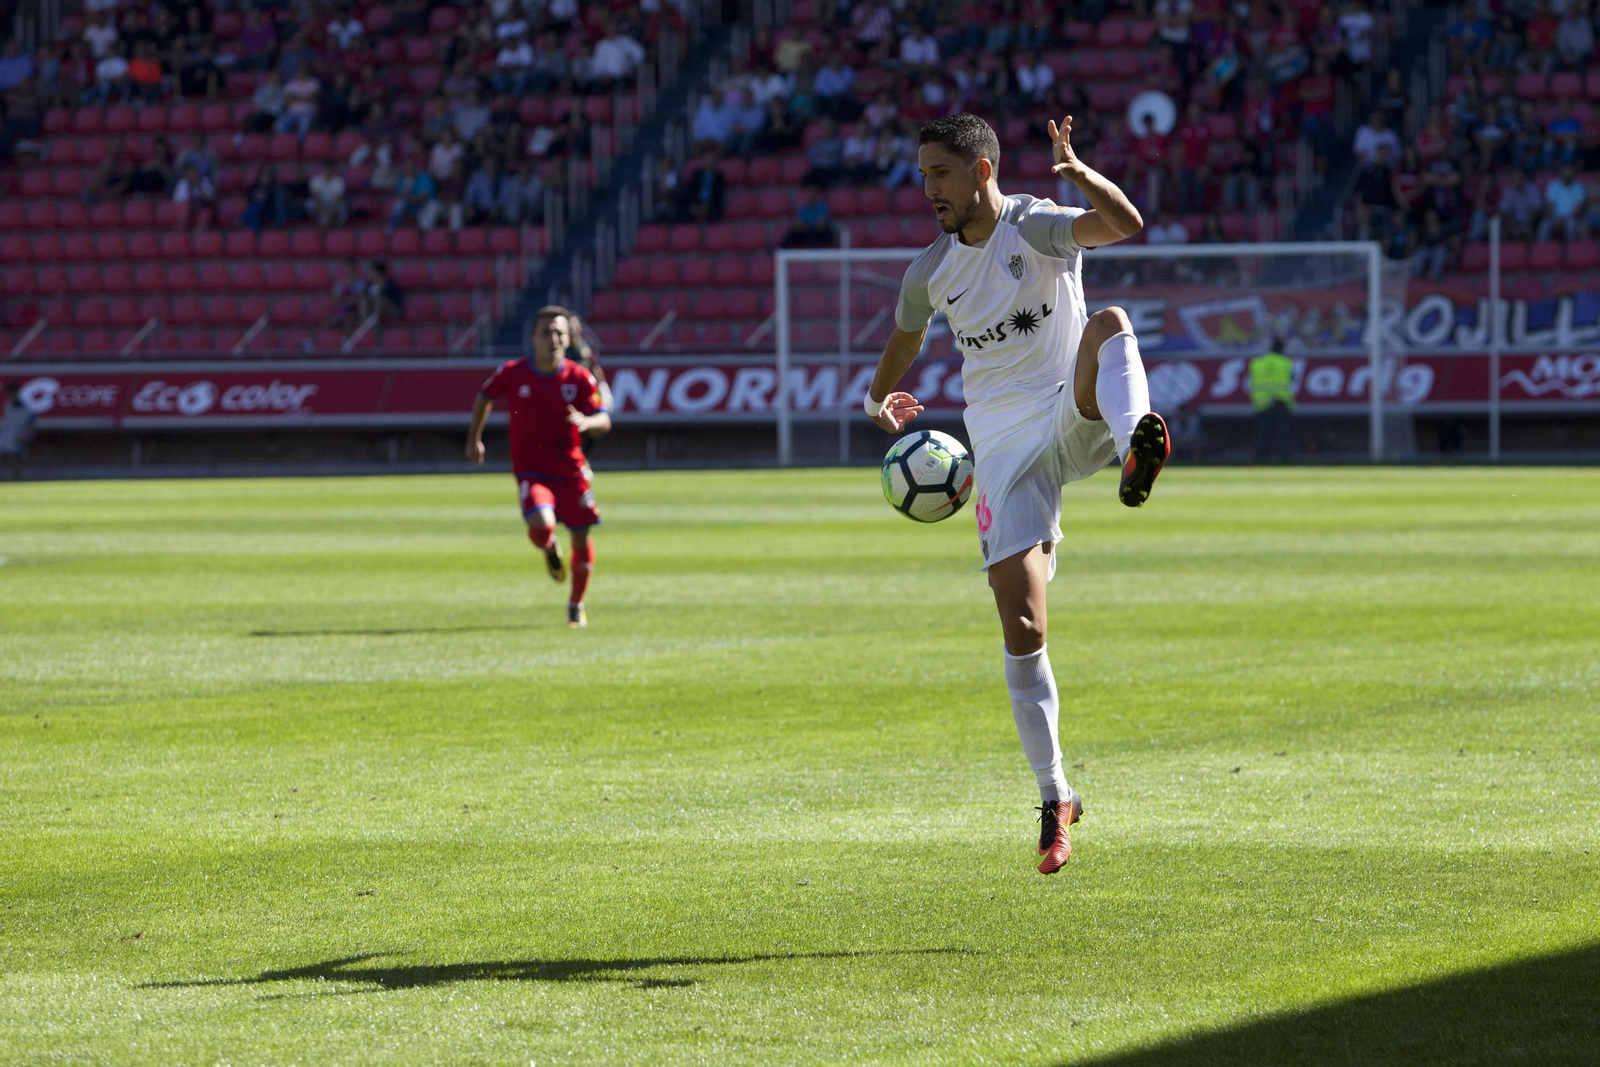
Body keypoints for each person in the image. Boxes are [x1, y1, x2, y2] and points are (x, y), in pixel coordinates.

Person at [862, 113, 1159, 876]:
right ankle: (1056, 795)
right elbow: (906, 335)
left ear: (982, 171)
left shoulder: (1034, 224)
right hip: (1001, 452)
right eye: (924, 173)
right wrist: (876, 401)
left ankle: (1136, 448)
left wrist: (1081, 173)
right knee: (1024, 624)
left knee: (1113, 321)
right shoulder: (929, 270)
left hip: (1071, 404)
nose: (928, 188)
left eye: (941, 173)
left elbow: (1125, 224)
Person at [466, 306, 612, 629]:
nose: (553, 339)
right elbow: (484, 396)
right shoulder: (513, 372)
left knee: (580, 536)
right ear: (533, 338)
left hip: (571, 471)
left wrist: (588, 422)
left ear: (568, 337)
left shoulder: (579, 377)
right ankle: (549, 547)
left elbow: (605, 419)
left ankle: (576, 604)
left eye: (559, 332)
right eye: (546, 332)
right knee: (542, 526)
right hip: (532, 471)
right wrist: (474, 439)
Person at [1249, 337, 1295, 462]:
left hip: (1262, 402)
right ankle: (1284, 457)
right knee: (1283, 432)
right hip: (1280, 401)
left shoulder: (1257, 362)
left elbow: (1252, 381)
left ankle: (1261, 457)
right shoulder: (1285, 362)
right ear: (1282, 348)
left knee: (1264, 432)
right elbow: (1291, 379)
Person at [0, 381, 36, 480]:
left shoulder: (25, 407)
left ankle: (16, 478)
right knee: (2, 457)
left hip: (18, 436)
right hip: (6, 436)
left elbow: (31, 422)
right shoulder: (8, 405)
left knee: (15, 459)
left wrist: (24, 434)